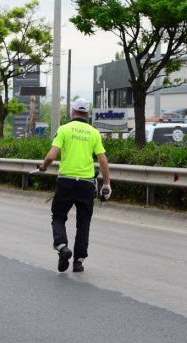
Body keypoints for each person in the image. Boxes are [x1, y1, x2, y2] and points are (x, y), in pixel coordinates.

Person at [37, 98, 111, 273]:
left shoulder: (64, 129)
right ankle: (78, 261)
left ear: (72, 111)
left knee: (58, 217)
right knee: (84, 222)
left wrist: (43, 167)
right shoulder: (94, 133)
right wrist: (106, 183)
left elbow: (51, 155)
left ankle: (62, 247)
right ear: (88, 114)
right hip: (86, 184)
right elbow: (102, 159)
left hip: (66, 182)